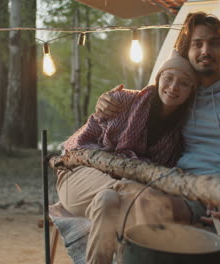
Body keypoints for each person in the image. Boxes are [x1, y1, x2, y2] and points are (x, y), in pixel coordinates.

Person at [96, 12, 220, 264]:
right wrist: (107, 101)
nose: (205, 50)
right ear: (185, 51)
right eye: (197, 44)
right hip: (187, 189)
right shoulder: (182, 92)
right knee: (144, 201)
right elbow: (144, 101)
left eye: (214, 43)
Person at [56, 50, 197, 264]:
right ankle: (151, 250)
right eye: (168, 78)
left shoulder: (176, 136)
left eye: (184, 83)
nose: (174, 86)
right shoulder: (124, 100)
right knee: (139, 192)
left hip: (114, 191)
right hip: (78, 173)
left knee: (107, 201)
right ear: (158, 79)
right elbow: (80, 141)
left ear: (191, 91)